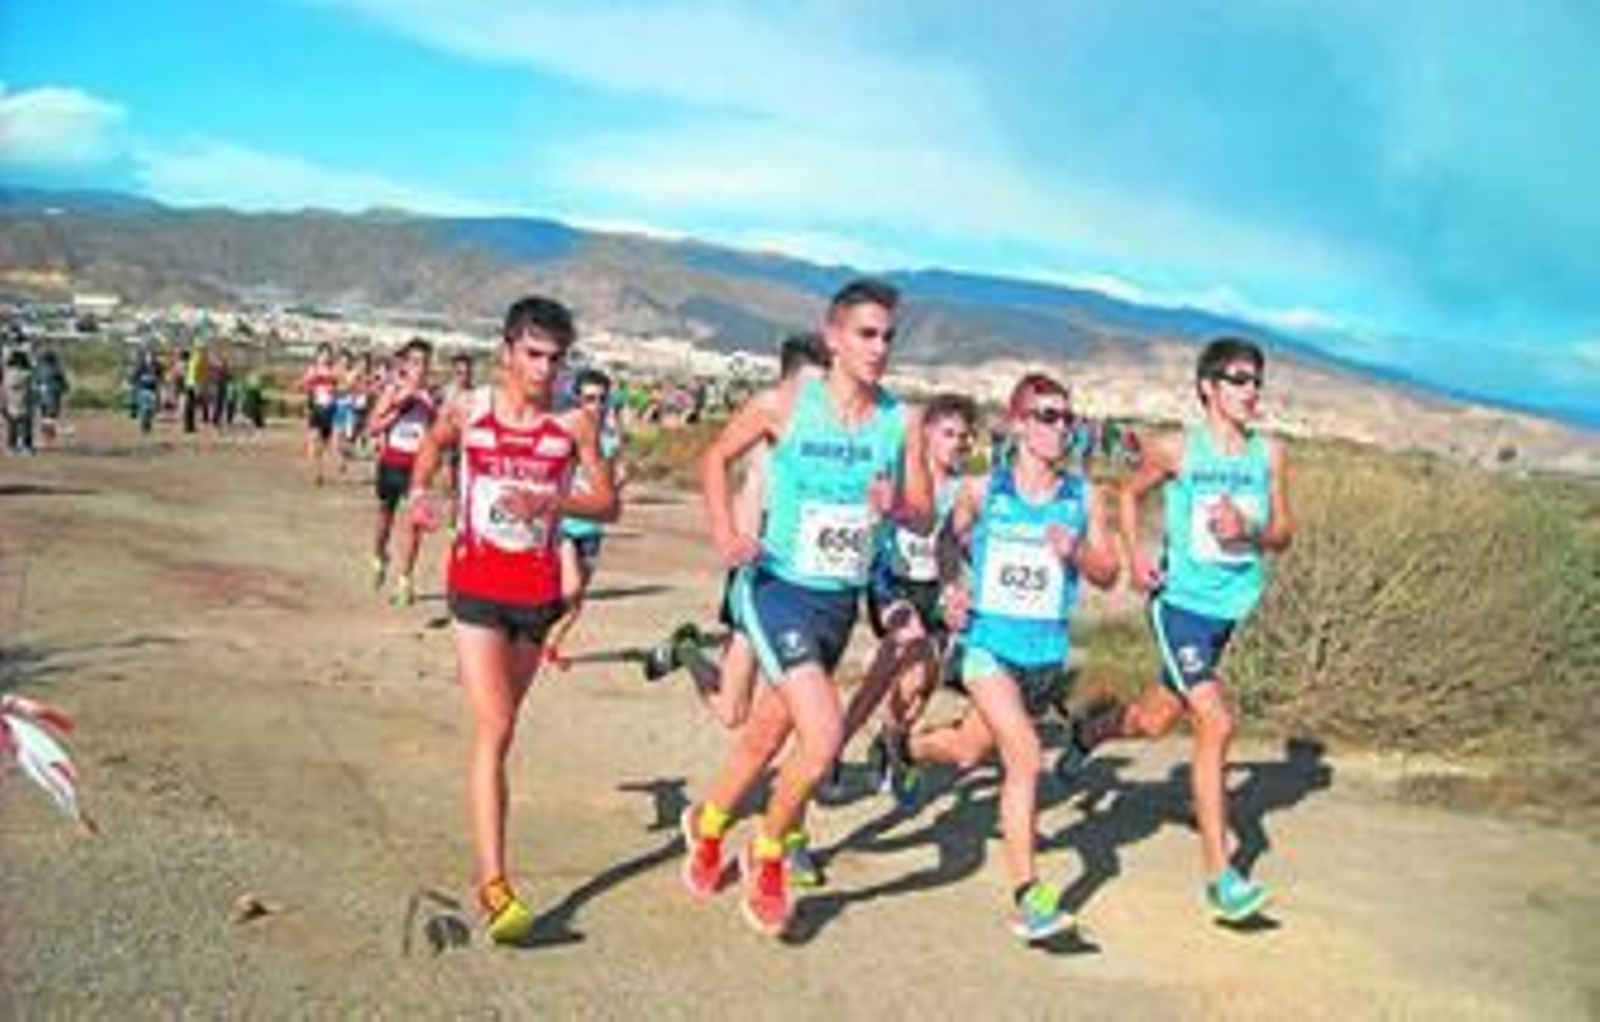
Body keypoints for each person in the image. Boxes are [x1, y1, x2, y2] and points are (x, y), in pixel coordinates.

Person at [678, 279, 932, 938]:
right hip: (775, 590)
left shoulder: (899, 422)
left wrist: (894, 507)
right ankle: (768, 855)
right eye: (866, 334)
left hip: (836, 605)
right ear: (834, 336)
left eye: (888, 336)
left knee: (766, 735)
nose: (879, 348)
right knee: (820, 743)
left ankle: (705, 826)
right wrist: (725, 534)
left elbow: (923, 509)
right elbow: (714, 457)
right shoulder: (784, 404)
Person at [407, 296, 617, 946]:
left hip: (536, 595)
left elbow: (607, 503)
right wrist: (420, 495)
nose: (544, 368)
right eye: (533, 354)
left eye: (555, 357)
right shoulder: (468, 411)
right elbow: (432, 449)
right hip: (473, 586)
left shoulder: (573, 424)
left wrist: (552, 498)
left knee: (503, 732)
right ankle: (495, 885)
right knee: (494, 724)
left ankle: (490, 858)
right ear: (506, 351)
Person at [1063, 336, 1294, 923]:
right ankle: (1221, 876)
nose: (1251, 390)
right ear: (1208, 388)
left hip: (1228, 612)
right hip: (1180, 608)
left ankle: (1092, 731)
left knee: (1155, 719)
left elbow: (1284, 534)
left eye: (1256, 380)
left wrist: (1250, 528)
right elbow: (1126, 492)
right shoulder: (1176, 450)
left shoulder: (1269, 455)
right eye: (1239, 379)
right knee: (1216, 722)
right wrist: (1134, 554)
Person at [898, 374, 1118, 942]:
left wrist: (1078, 553)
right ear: (1019, 424)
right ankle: (1029, 896)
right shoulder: (982, 491)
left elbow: (1109, 573)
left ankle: (904, 746)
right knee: (1023, 757)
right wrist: (952, 589)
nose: (1060, 427)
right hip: (988, 647)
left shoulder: (1084, 497)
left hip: (1044, 658)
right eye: (1047, 416)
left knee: (968, 750)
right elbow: (947, 541)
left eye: (1067, 417)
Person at [640, 332, 830, 734]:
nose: (821, 396)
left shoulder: (825, 431)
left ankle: (814, 757)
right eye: (813, 385)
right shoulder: (769, 428)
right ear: (787, 381)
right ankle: (688, 651)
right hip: (760, 570)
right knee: (732, 712)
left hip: (806, 579)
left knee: (792, 693)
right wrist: (734, 538)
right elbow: (746, 484)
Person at [852, 393, 978, 805]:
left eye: (963, 436)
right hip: (891, 582)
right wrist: (878, 509)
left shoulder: (963, 489)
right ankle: (860, 744)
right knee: (916, 669)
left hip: (934, 589)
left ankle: (890, 741)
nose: (957, 443)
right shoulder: (899, 473)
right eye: (948, 433)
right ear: (925, 434)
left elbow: (957, 544)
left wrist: (961, 584)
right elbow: (868, 511)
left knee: (922, 686)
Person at [542, 368, 628, 668]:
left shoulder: (611, 439)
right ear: (577, 400)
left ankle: (550, 646)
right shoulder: (566, 432)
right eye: (590, 398)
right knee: (571, 588)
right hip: (563, 524)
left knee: (577, 602)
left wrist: (619, 480)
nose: (597, 405)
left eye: (603, 399)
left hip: (592, 528)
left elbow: (615, 477)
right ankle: (529, 631)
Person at [366, 338, 439, 605]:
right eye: (416, 362)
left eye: (426, 363)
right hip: (391, 463)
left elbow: (437, 434)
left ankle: (405, 580)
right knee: (385, 515)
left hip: (417, 468)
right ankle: (378, 555)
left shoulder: (431, 396)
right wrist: (399, 408)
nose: (421, 368)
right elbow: (373, 427)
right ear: (406, 365)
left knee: (413, 523)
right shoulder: (392, 390)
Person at [300, 343, 340, 485]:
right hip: (316, 409)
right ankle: (316, 473)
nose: (325, 357)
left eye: (328, 354)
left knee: (325, 444)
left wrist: (335, 390)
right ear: (317, 356)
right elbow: (302, 385)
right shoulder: (313, 370)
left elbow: (342, 387)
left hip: (330, 409)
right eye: (322, 354)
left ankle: (325, 467)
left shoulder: (334, 371)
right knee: (315, 442)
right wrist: (310, 384)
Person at [32, 349, 70, 446]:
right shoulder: (56, 369)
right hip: (53, 397)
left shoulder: (38, 369)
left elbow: (34, 383)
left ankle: (46, 438)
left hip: (41, 397)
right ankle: (52, 435)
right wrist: (64, 390)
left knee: (45, 417)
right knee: (51, 417)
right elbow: (64, 384)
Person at [4, 346, 37, 456]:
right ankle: (26, 447)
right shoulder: (26, 374)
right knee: (26, 427)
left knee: (12, 427)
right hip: (23, 403)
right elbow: (33, 367)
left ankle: (11, 447)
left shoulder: (7, 373)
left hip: (11, 403)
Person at [129, 349, 163, 434]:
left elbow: (160, 377)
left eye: (152, 356)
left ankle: (148, 425)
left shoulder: (157, 366)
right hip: (143, 389)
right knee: (145, 409)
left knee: (151, 409)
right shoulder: (141, 366)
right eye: (149, 356)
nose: (150, 358)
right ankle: (144, 427)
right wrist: (137, 383)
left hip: (153, 389)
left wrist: (158, 382)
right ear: (145, 357)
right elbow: (134, 377)